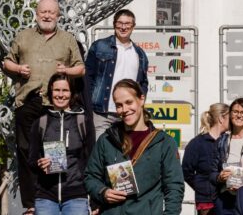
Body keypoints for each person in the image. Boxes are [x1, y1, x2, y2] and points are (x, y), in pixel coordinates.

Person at [3, 0, 85, 213]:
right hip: (28, 100)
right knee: (25, 151)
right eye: (43, 12)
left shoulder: (68, 39)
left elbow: (81, 68)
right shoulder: (24, 36)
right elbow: (7, 61)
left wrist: (66, 70)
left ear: (58, 15)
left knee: (56, 150)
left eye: (51, 12)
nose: (47, 16)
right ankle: (30, 205)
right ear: (36, 14)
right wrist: (19, 69)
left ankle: (54, 196)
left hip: (55, 104)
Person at [85, 78, 184, 214]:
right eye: (119, 105)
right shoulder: (106, 140)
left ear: (141, 99)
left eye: (129, 102)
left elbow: (174, 187)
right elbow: (90, 176)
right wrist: (103, 192)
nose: (124, 109)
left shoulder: (164, 143)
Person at [28, 73, 96, 215]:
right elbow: (31, 161)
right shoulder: (40, 122)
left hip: (76, 195)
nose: (60, 95)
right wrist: (40, 163)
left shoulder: (83, 121)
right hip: (46, 195)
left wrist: (94, 200)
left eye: (65, 90)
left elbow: (92, 161)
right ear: (50, 92)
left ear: (71, 93)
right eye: (56, 90)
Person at [84, 9, 149, 138]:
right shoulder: (99, 46)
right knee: (100, 151)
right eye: (120, 23)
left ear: (133, 26)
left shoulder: (140, 54)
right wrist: (89, 104)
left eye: (127, 24)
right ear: (114, 24)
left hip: (129, 114)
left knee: (126, 154)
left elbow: (143, 83)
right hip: (102, 113)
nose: (123, 27)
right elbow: (88, 77)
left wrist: (139, 103)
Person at [183, 103, 230, 215]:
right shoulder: (197, 143)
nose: (233, 121)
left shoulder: (229, 141)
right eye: (230, 117)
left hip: (228, 200)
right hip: (206, 202)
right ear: (221, 118)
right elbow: (186, 171)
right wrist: (201, 187)